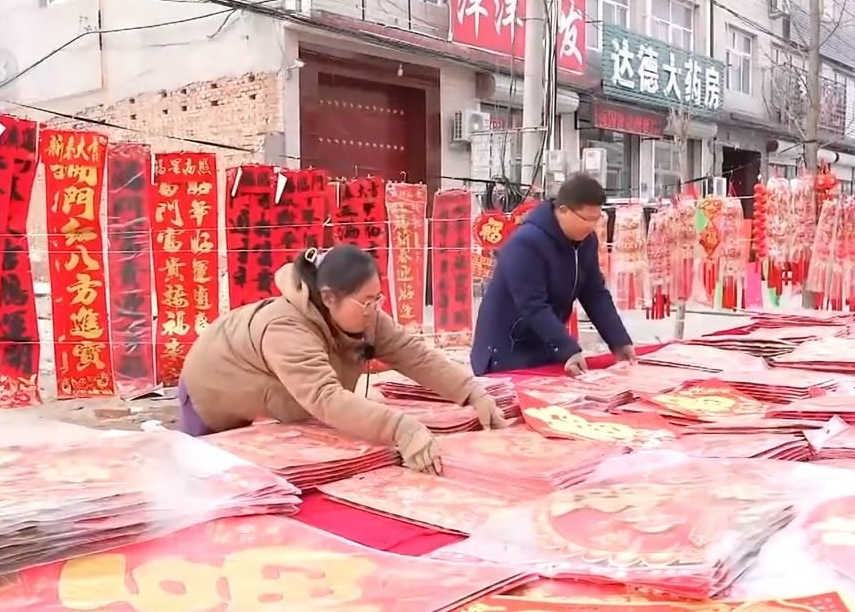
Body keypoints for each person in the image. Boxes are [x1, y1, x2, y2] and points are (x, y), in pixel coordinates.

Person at [178, 244, 508, 474]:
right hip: (211, 391)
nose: (373, 310)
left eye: (377, 299)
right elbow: (325, 397)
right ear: (329, 298)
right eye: (365, 301)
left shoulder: (367, 316)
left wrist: (470, 391)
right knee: (212, 479)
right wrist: (400, 428)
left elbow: (413, 354)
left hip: (268, 398)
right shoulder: (285, 328)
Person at [471, 173, 634, 377]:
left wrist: (618, 340)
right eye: (585, 219)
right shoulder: (526, 243)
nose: (591, 226)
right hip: (506, 350)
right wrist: (567, 349)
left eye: (596, 219)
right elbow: (532, 304)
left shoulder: (586, 242)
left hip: (544, 343)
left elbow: (594, 293)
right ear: (563, 210)